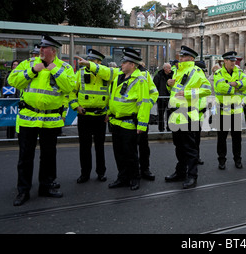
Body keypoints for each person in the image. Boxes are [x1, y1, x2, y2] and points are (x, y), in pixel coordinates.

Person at [9, 35, 75, 206]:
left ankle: (46, 186)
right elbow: (12, 80)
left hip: (50, 119)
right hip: (28, 118)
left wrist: (54, 69)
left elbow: (69, 87)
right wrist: (33, 71)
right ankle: (23, 190)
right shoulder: (29, 64)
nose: (40, 50)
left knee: (48, 155)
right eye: (40, 47)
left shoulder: (64, 67)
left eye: (44, 48)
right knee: (25, 156)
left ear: (53, 51)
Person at [164, 46, 211, 189]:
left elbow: (207, 89)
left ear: (190, 58)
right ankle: (180, 172)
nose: (180, 58)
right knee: (178, 147)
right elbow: (175, 92)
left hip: (188, 115)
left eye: (183, 56)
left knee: (190, 148)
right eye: (180, 56)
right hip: (176, 115)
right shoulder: (178, 71)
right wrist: (168, 85)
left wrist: (188, 93)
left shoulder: (196, 71)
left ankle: (192, 176)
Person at [107, 48, 154, 191]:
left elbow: (144, 103)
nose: (122, 64)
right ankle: (122, 177)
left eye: (125, 62)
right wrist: (109, 113)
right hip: (115, 122)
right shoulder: (118, 78)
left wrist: (142, 123)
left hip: (129, 123)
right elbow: (113, 98)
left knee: (130, 154)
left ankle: (134, 178)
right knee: (118, 153)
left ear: (132, 65)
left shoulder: (140, 80)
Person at [70, 49, 114, 184]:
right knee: (84, 147)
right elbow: (71, 93)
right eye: (87, 60)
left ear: (99, 62)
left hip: (101, 116)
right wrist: (76, 106)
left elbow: (113, 96)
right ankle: (85, 173)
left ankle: (101, 172)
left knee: (99, 147)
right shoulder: (80, 74)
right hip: (84, 116)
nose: (87, 63)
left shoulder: (107, 74)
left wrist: (109, 112)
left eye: (91, 61)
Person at [213, 51, 246, 169]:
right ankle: (221, 160)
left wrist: (233, 83)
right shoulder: (218, 73)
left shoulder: (239, 72)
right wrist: (237, 87)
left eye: (234, 60)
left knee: (237, 139)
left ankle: (237, 159)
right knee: (222, 139)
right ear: (225, 61)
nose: (234, 62)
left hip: (237, 111)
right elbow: (221, 88)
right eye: (231, 61)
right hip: (223, 111)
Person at [138, 62, 159, 181]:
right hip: (125, 117)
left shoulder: (145, 74)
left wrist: (146, 106)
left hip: (141, 116)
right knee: (128, 147)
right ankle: (130, 172)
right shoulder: (120, 74)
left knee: (143, 146)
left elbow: (154, 93)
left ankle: (145, 169)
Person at [153, 62, 173, 132]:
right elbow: (155, 86)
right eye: (169, 68)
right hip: (161, 98)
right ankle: (161, 128)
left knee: (170, 114)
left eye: (170, 68)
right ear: (165, 69)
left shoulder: (173, 76)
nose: (170, 70)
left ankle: (169, 127)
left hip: (169, 98)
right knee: (161, 114)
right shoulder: (158, 76)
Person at [4, 60, 20, 139]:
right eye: (14, 64)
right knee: (10, 118)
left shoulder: (21, 74)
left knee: (18, 119)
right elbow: (5, 87)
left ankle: (19, 135)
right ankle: (10, 136)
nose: (15, 66)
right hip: (10, 99)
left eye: (17, 65)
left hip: (19, 99)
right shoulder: (8, 75)